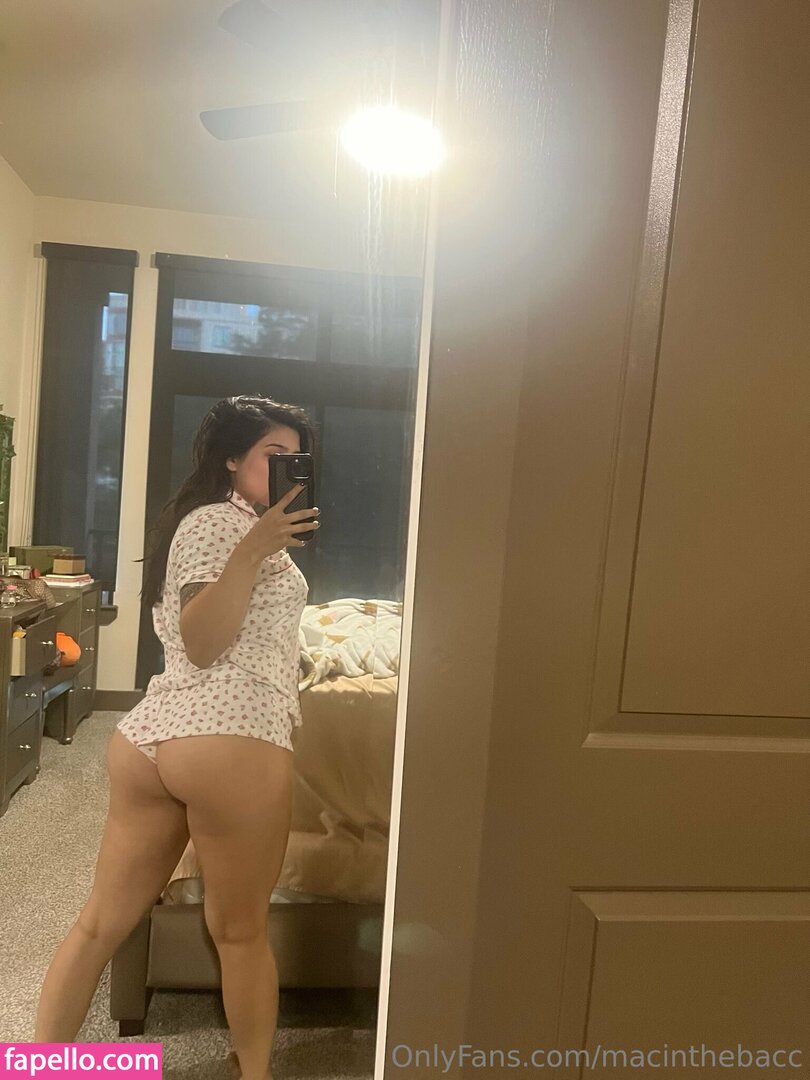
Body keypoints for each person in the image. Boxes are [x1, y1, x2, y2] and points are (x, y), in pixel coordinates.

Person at [34, 395, 322, 1080]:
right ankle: (253, 1073)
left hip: (157, 738)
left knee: (101, 924)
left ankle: (37, 1067)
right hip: (229, 736)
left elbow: (240, 628)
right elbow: (201, 640)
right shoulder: (222, 523)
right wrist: (253, 550)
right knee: (241, 933)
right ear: (232, 459)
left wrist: (294, 652)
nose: (288, 469)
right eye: (273, 456)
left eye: (297, 459)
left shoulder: (225, 524)